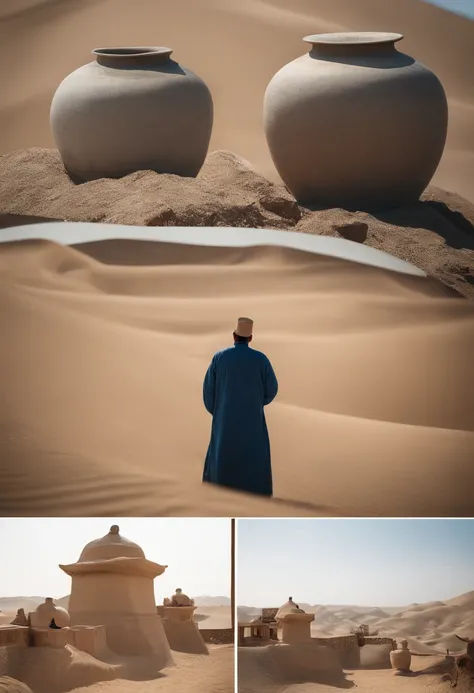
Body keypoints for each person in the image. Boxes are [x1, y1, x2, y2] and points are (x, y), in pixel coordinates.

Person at [202, 317, 278, 496]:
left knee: (221, 460)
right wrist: (255, 404)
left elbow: (208, 392)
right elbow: (272, 389)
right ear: (250, 338)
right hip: (253, 422)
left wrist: (220, 410)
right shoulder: (261, 360)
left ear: (234, 336)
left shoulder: (219, 358)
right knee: (254, 460)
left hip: (224, 422)